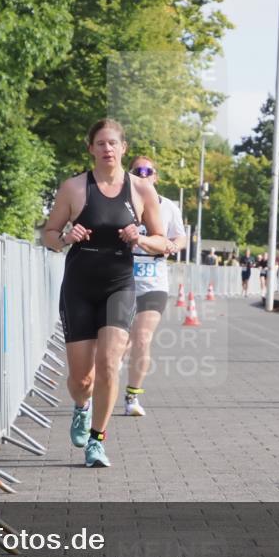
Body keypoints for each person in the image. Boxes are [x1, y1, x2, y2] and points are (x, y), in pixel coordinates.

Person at [42, 119, 167, 467]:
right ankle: (81, 406)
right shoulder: (74, 188)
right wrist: (66, 238)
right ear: (91, 149)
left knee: (109, 363)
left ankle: (97, 441)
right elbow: (48, 235)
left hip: (119, 284)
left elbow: (163, 242)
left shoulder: (142, 190)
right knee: (82, 379)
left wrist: (139, 238)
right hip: (79, 286)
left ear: (123, 148)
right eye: (100, 144)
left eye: (113, 143)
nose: (107, 149)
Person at [123, 157, 187, 418]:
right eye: (137, 170)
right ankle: (100, 389)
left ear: (155, 176)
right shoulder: (123, 204)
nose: (142, 174)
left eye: (147, 170)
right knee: (118, 342)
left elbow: (180, 236)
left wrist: (173, 245)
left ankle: (132, 397)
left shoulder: (169, 207)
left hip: (154, 281)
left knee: (142, 337)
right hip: (123, 279)